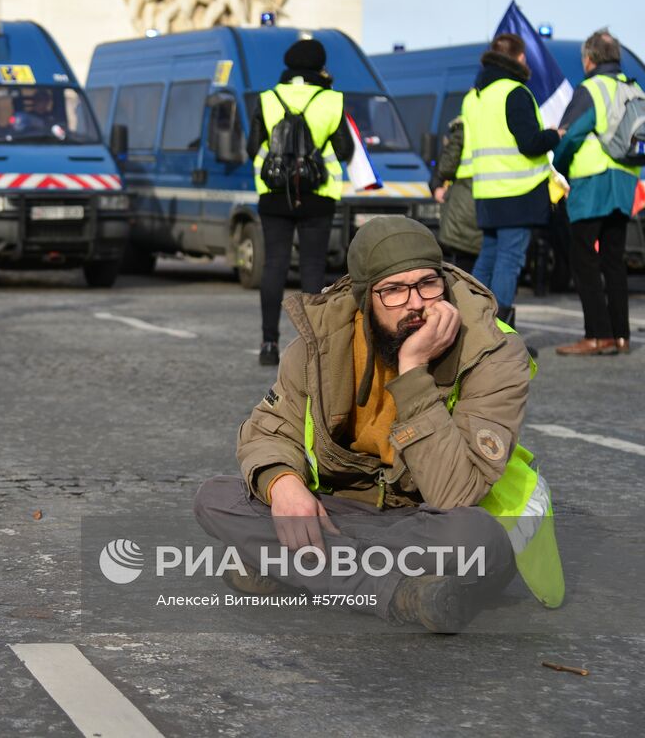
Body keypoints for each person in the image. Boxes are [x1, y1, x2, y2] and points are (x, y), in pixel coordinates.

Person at [194, 217, 549, 632]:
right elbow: (270, 430)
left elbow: (455, 494)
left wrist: (413, 370)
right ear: (365, 300)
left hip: (429, 518)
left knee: (478, 541)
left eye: (427, 284)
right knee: (216, 497)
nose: (416, 303)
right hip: (340, 509)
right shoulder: (319, 343)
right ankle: (398, 594)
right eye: (394, 290)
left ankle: (292, 566)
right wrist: (283, 485)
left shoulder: (493, 350)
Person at [247, 38, 354, 365]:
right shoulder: (332, 101)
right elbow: (345, 151)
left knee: (274, 265)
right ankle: (313, 346)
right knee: (312, 268)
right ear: (318, 67)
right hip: (318, 196)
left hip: (274, 195)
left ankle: (268, 343)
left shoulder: (267, 99)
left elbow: (251, 148)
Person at [463, 33, 562, 325]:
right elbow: (529, 143)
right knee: (509, 260)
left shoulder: (474, 96)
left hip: (486, 191)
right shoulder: (514, 92)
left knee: (488, 259)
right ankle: (501, 334)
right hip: (518, 192)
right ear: (519, 58)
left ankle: (473, 326)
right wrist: (554, 136)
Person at [553, 29, 638, 356]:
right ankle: (621, 336)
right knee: (613, 260)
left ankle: (596, 335)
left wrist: (558, 166)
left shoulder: (591, 89)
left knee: (583, 258)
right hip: (624, 182)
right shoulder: (632, 88)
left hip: (592, 182)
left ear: (589, 59)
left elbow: (570, 136)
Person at [429, 115, 480, 272]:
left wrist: (436, 185)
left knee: (466, 267)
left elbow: (445, 166)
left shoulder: (465, 123)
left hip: (465, 204)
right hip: (478, 203)